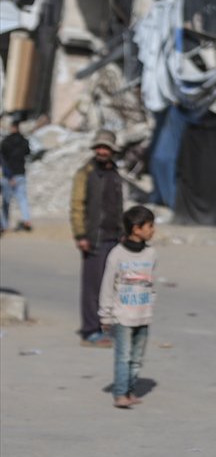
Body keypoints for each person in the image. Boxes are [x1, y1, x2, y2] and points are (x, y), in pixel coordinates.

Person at [98, 206, 157, 409]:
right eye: (150, 226)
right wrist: (105, 316)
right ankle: (120, 394)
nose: (153, 230)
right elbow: (107, 286)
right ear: (136, 229)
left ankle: (130, 390)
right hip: (122, 316)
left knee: (137, 358)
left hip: (143, 315)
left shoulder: (151, 254)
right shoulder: (117, 255)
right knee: (123, 356)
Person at [71, 130, 124, 347]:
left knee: (110, 287)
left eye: (106, 148)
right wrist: (81, 234)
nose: (102, 151)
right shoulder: (86, 173)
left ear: (112, 151)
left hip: (114, 237)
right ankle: (90, 330)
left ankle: (105, 328)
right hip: (94, 237)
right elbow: (77, 205)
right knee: (93, 287)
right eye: (99, 147)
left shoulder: (115, 173)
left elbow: (118, 206)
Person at [1, 120, 32, 232]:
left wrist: (9, 176)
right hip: (20, 174)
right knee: (22, 199)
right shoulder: (24, 141)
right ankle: (26, 220)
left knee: (6, 202)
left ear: (11, 128)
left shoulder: (6, 142)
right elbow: (28, 153)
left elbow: (2, 160)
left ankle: (4, 225)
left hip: (8, 176)